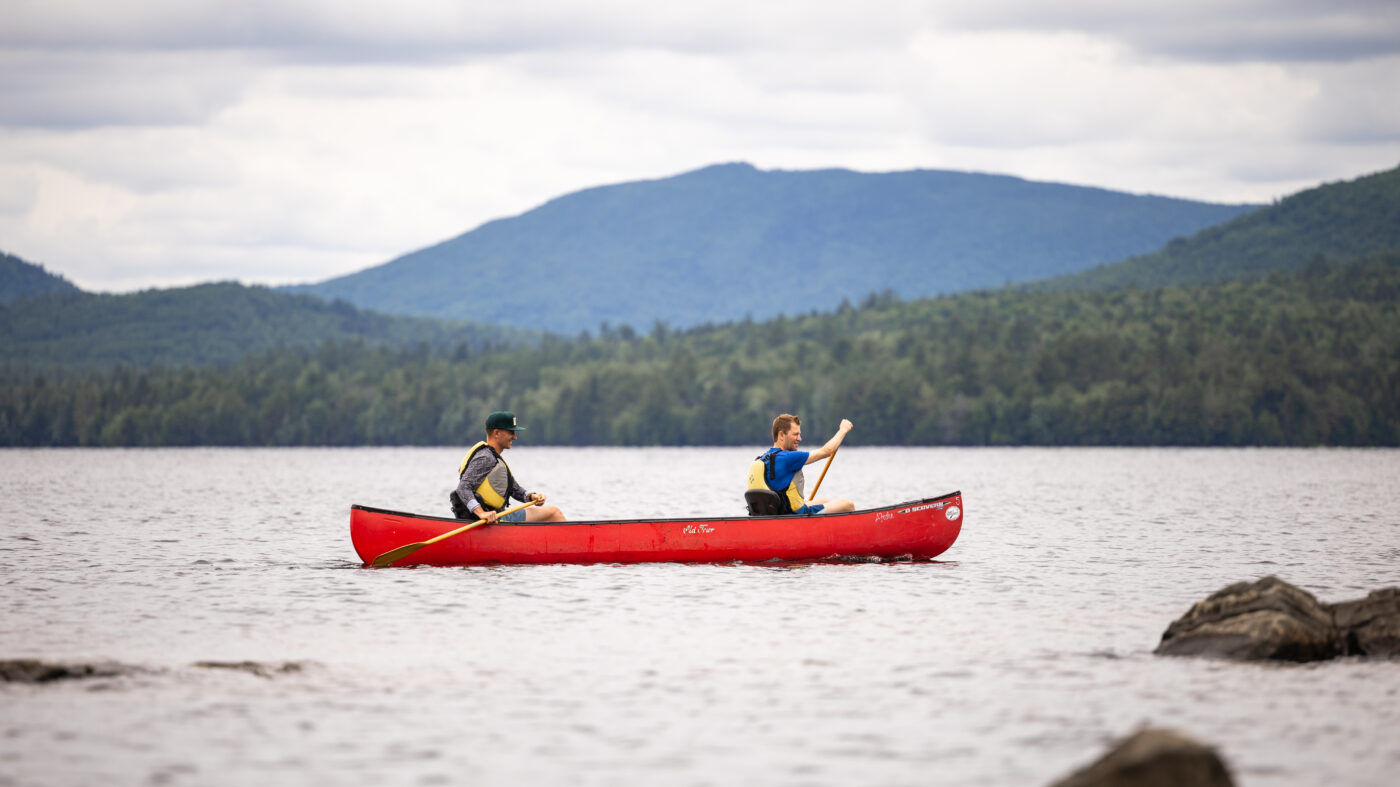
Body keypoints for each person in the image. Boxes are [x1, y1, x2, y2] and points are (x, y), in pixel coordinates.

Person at [450, 411, 566, 523]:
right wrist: (481, 513)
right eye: (511, 432)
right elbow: (463, 487)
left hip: (497, 516)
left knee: (547, 514)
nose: (515, 437)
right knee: (554, 513)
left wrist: (531, 497)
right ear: (496, 433)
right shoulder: (486, 458)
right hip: (494, 520)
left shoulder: (493, 457)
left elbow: (515, 490)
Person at [747, 413, 855, 515]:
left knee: (824, 500)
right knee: (848, 505)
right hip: (795, 515)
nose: (800, 438)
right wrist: (843, 430)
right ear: (781, 435)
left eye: (799, 434)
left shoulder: (763, 459)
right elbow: (826, 451)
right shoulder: (788, 457)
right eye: (795, 434)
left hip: (780, 512)